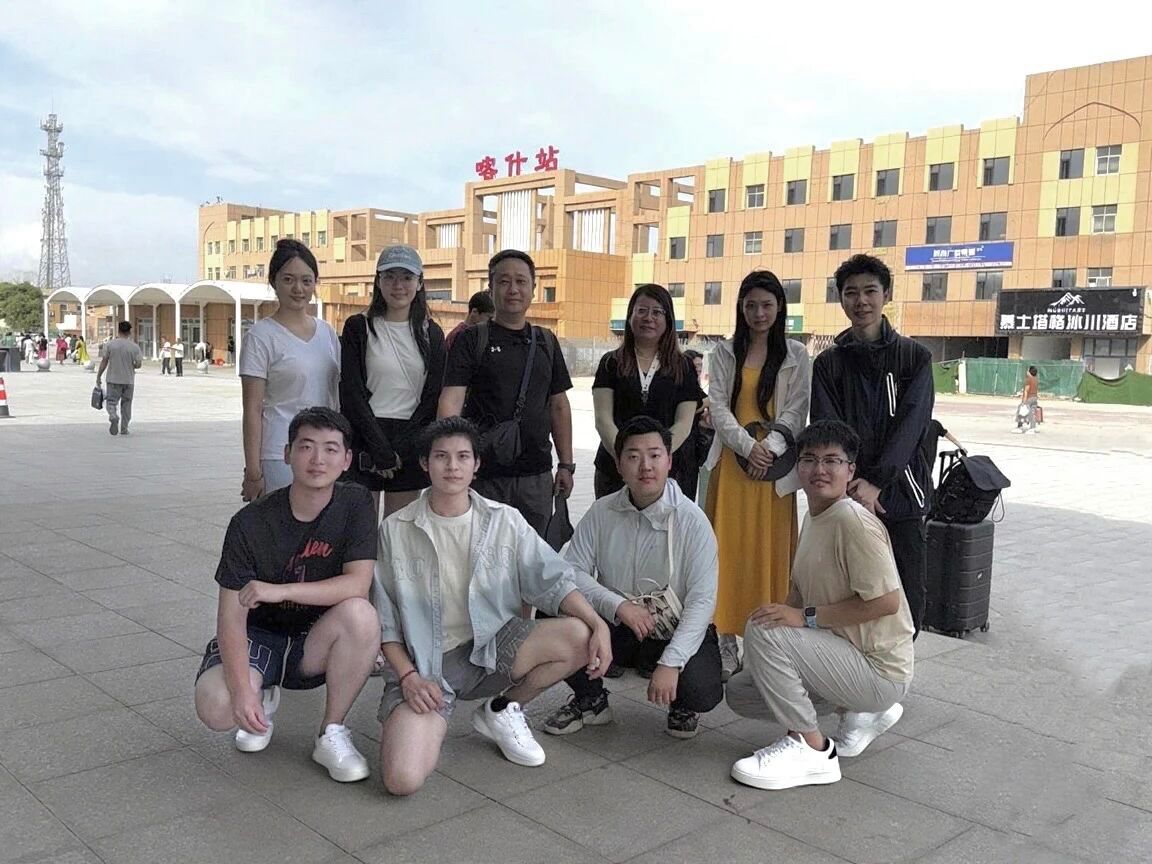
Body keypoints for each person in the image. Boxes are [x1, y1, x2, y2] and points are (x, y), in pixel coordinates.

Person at [372, 416, 611, 795]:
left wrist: (597, 624)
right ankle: (428, 719)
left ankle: (502, 710)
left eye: (463, 457)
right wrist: (408, 678)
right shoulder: (396, 529)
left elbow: (553, 580)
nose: (452, 466)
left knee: (579, 635)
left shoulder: (504, 521)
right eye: (441, 456)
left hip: (491, 649)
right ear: (424, 464)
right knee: (402, 779)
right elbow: (385, 623)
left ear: (476, 464)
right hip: (426, 667)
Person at [194, 407, 379, 782]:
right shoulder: (250, 522)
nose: (317, 459)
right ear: (287, 454)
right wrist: (242, 691)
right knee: (217, 707)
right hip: (259, 637)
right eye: (306, 447)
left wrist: (280, 591)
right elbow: (230, 616)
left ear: (346, 460)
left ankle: (331, 731)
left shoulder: (356, 503)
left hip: (315, 639)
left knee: (361, 615)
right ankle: (260, 691)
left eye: (330, 449)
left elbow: (357, 584)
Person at [727, 419, 913, 791]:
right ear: (798, 467)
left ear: (851, 470)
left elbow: (886, 602)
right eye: (810, 459)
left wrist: (802, 619)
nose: (819, 470)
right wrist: (771, 649)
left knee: (764, 632)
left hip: (879, 668)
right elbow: (798, 593)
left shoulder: (852, 521)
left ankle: (811, 748)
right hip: (845, 654)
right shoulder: (815, 517)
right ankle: (856, 712)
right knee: (741, 692)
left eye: (832, 461)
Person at [543, 416, 723, 740]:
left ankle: (682, 703)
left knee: (701, 688)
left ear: (669, 461)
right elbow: (570, 572)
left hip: (671, 628)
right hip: (619, 626)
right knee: (552, 611)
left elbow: (702, 602)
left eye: (654, 455)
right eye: (633, 456)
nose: (646, 466)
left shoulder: (693, 522)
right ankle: (591, 700)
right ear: (619, 464)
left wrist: (671, 662)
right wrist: (618, 606)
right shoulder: (602, 512)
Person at [811, 254, 933, 635]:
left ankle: (898, 664)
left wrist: (877, 482)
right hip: (848, 497)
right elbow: (828, 428)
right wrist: (853, 484)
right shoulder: (828, 364)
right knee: (849, 590)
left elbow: (912, 426)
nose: (861, 301)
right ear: (841, 299)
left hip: (901, 495)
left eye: (870, 291)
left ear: (886, 295)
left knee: (907, 596)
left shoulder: (914, 358)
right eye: (851, 293)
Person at [705, 270, 811, 681]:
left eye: (767, 304)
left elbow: (797, 409)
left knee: (768, 555)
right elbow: (718, 407)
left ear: (780, 307)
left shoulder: (796, 355)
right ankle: (725, 639)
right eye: (751, 305)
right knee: (725, 552)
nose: (759, 313)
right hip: (732, 468)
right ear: (741, 308)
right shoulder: (725, 352)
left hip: (774, 474)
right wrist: (748, 447)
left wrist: (770, 448)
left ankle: (765, 642)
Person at [438, 250, 574, 536]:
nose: (513, 289)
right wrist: (450, 460)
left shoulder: (546, 342)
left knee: (534, 555)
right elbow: (451, 400)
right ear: (491, 289)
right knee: (481, 551)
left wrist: (566, 465)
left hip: (536, 475)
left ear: (533, 288)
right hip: (484, 474)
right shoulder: (471, 339)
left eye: (521, 281)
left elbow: (559, 405)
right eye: (504, 281)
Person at [340, 244, 446, 519]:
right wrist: (379, 448)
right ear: (378, 281)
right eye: (389, 276)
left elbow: (432, 398)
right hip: (365, 436)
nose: (398, 285)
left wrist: (399, 449)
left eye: (407, 277)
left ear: (419, 283)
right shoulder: (358, 327)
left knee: (398, 531)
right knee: (361, 529)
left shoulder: (432, 333)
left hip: (410, 441)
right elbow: (351, 393)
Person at [240, 239, 340, 501]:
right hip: (280, 454)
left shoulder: (327, 333)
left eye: (306, 281)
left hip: (326, 452)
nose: (298, 289)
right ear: (273, 281)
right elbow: (252, 409)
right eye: (288, 279)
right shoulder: (261, 336)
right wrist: (253, 472)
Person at [591, 284, 701, 500]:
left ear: (668, 320)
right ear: (630, 316)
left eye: (657, 312)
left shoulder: (683, 366)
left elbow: (684, 423)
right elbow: (603, 420)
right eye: (641, 310)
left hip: (668, 472)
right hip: (615, 469)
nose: (649, 318)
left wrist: (656, 460)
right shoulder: (610, 363)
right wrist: (625, 458)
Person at [95, 321, 143, 436]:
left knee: (111, 401)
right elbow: (138, 364)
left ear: (118, 330)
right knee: (126, 404)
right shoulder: (134, 347)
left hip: (113, 379)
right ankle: (124, 428)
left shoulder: (110, 345)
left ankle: (113, 415)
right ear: (129, 332)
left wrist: (99, 376)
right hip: (128, 380)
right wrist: (131, 365)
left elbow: (104, 361)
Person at [921, 418, 964, 486]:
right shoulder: (935, 424)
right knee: (927, 475)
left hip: (921, 455)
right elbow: (948, 435)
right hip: (929, 456)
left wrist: (961, 447)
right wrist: (961, 447)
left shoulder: (919, 424)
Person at [1016, 365, 1039, 434]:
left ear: (1029, 372)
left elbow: (1026, 391)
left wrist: (1024, 401)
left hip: (1029, 398)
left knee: (1021, 411)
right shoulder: (1036, 379)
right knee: (1032, 413)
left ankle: (1020, 426)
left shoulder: (1029, 379)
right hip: (1035, 397)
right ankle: (1033, 427)